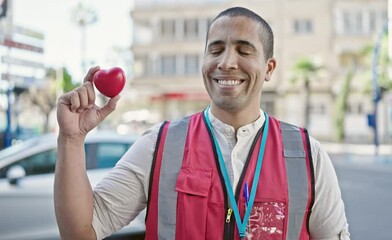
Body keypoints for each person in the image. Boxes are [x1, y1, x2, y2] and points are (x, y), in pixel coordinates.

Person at [54, 6, 350, 240]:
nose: (226, 62)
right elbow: (81, 232)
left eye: (244, 51)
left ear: (269, 68)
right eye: (216, 49)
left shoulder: (307, 155)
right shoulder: (159, 144)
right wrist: (71, 139)